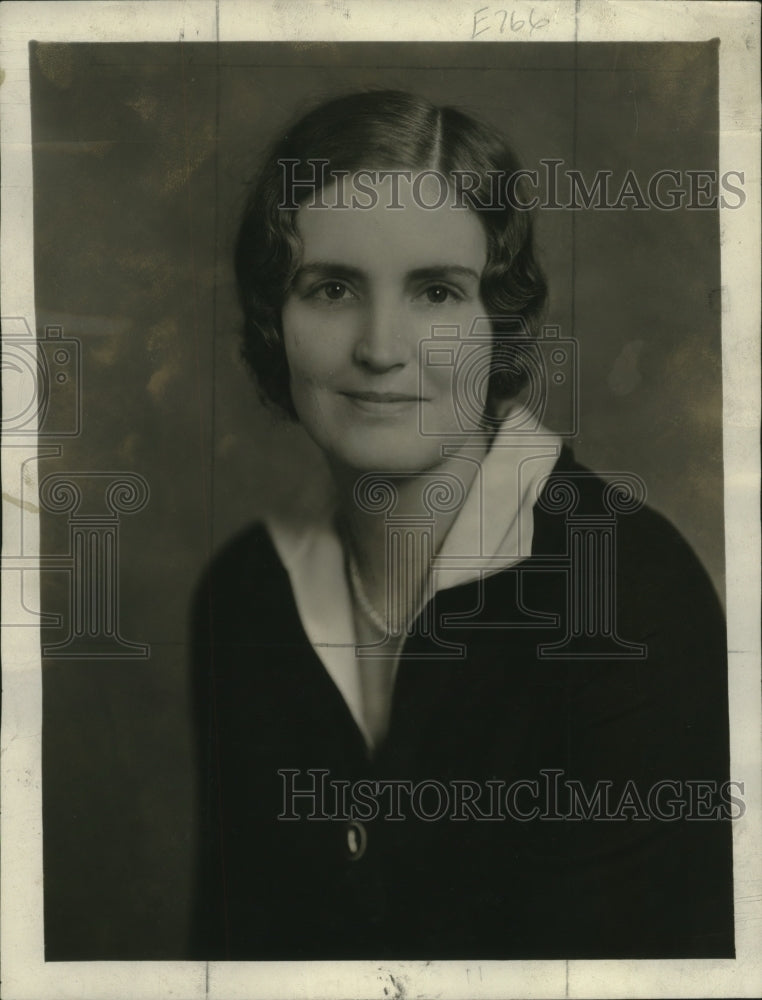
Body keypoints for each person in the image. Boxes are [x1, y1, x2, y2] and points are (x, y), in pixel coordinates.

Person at [189, 90, 734, 960]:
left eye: (437, 293)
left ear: (500, 322)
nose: (380, 347)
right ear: (273, 319)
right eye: (330, 288)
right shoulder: (245, 593)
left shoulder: (628, 602)